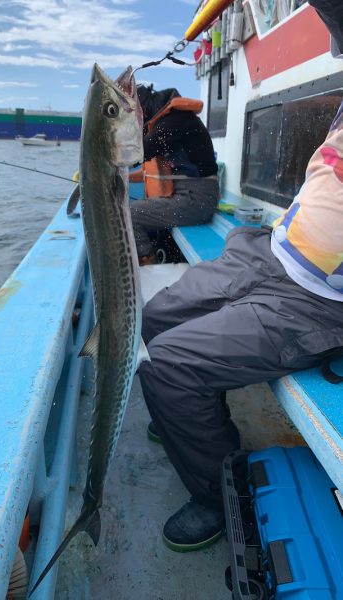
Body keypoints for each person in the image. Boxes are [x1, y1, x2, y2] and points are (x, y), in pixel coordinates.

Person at [138, 0, 343, 553]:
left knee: (171, 367)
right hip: (269, 252)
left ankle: (217, 495)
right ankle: (186, 419)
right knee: (157, 315)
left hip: (319, 302)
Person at [130, 85, 220, 265]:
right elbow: (150, 172)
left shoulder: (175, 122)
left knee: (132, 214)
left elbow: (137, 154)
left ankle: (150, 266)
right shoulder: (172, 122)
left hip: (197, 201)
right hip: (188, 196)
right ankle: (153, 254)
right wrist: (124, 178)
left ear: (144, 110)